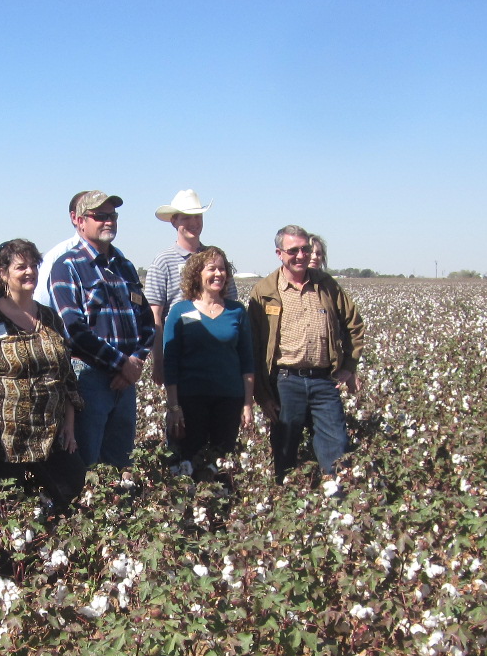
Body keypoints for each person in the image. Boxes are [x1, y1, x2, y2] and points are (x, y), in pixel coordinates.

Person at [0, 239, 85, 512]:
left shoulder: (49, 318)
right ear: (3, 273)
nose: (29, 272)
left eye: (33, 266)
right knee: (5, 512)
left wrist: (69, 424)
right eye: (20, 267)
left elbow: (66, 375)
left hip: (50, 436)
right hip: (2, 441)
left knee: (72, 487)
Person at [246, 225, 364, 484]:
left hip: (324, 380)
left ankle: (336, 503)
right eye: (293, 250)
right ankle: (286, 505)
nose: (300, 255)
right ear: (279, 253)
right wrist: (262, 395)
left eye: (305, 249)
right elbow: (252, 346)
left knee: (337, 445)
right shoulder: (264, 292)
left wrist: (349, 365)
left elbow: (353, 325)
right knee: (285, 447)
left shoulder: (327, 285)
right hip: (284, 381)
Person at [48, 191, 153, 471]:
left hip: (126, 382)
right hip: (89, 380)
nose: (108, 221)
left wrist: (136, 362)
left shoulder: (126, 266)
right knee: (86, 464)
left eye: (112, 216)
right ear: (79, 221)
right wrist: (122, 363)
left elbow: (147, 322)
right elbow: (72, 329)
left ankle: (118, 516)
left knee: (120, 466)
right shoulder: (67, 266)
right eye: (100, 216)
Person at [162, 247, 254, 474]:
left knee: (222, 463)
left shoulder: (237, 311)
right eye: (211, 268)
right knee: (188, 461)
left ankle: (222, 507)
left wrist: (248, 403)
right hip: (190, 401)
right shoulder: (179, 311)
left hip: (228, 401)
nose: (218, 274)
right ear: (197, 274)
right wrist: (174, 406)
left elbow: (247, 360)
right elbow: (170, 362)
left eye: (222, 269)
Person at [146, 190, 238, 387]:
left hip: (217, 356)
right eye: (186, 217)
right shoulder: (163, 261)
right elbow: (155, 316)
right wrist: (159, 361)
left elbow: (232, 307)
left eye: (197, 216)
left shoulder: (216, 259)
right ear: (174, 221)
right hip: (180, 354)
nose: (194, 223)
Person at [32, 190, 90, 304]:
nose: (106, 222)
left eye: (110, 215)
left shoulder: (118, 258)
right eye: (97, 215)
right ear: (75, 217)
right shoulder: (57, 257)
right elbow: (42, 303)